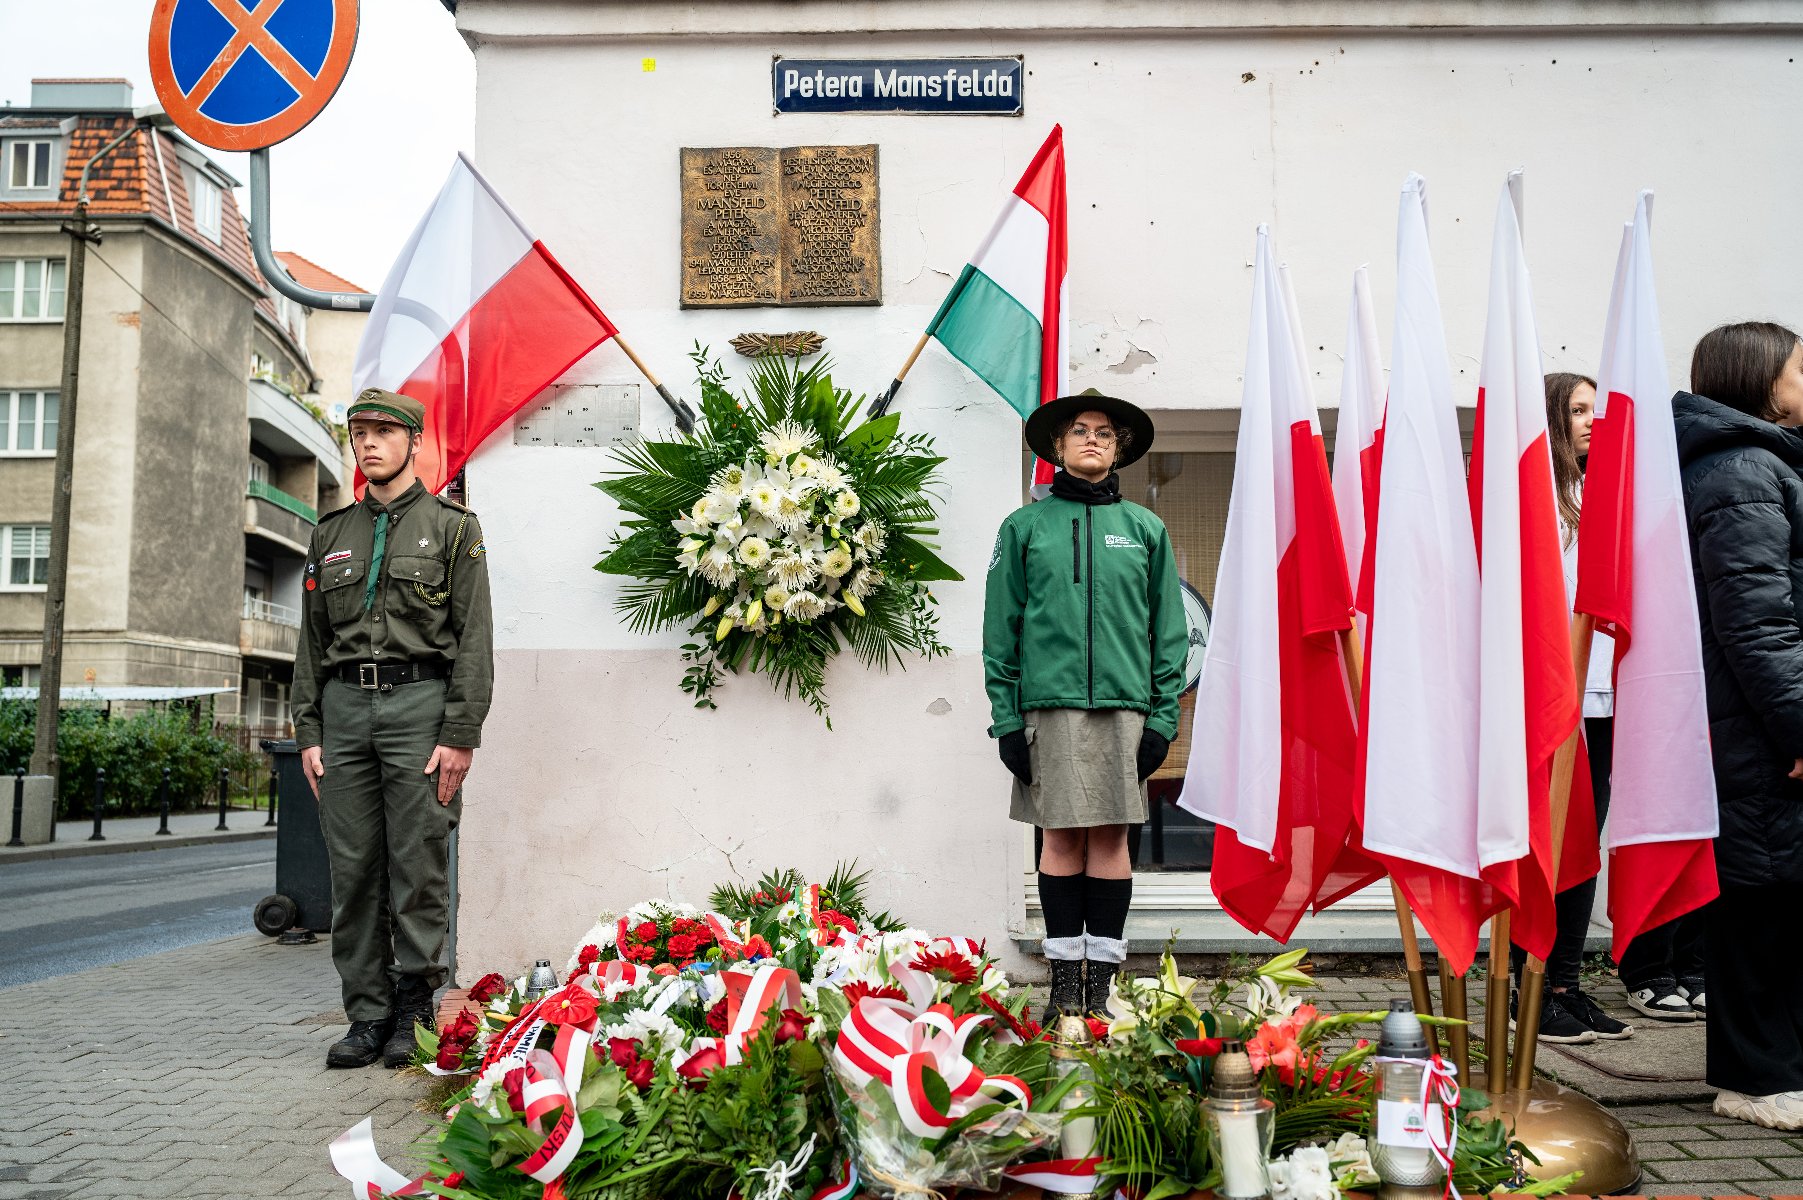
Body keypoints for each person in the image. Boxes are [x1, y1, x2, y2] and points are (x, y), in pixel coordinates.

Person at [292, 388, 494, 1070]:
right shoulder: (330, 535)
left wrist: (460, 733)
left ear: (414, 442)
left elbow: (474, 640)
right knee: (352, 871)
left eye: (384, 432)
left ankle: (413, 1009)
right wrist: (309, 733)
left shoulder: (454, 528)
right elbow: (310, 648)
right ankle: (366, 1015)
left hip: (419, 708)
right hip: (344, 713)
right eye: (360, 433)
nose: (369, 443)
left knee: (418, 864)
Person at [982, 390, 1188, 1021]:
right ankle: (1063, 986)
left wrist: (1161, 719)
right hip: (1049, 708)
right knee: (1061, 840)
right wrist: (1007, 718)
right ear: (1056, 447)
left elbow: (1170, 631)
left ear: (1118, 447)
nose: (1093, 439)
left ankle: (1101, 990)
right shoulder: (1022, 529)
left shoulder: (1145, 530)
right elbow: (1000, 627)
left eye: (1104, 432)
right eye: (1079, 430)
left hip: (1125, 709)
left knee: (1111, 841)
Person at [1673, 321, 1803, 1129]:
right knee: (1760, 901)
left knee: (1781, 899)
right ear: (1760, 380)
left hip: (1767, 724)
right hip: (1758, 728)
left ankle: (1772, 1069)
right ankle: (1751, 1079)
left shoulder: (1766, 462)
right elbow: (1756, 625)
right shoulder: (1741, 471)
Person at [1512, 372, 1635, 1044]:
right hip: (1547, 694)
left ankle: (1565, 983)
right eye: (1578, 410)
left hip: (1602, 694)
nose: (1592, 420)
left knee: (1584, 846)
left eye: (1596, 409)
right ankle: (1523, 986)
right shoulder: (1530, 492)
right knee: (1543, 842)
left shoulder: (1597, 492)